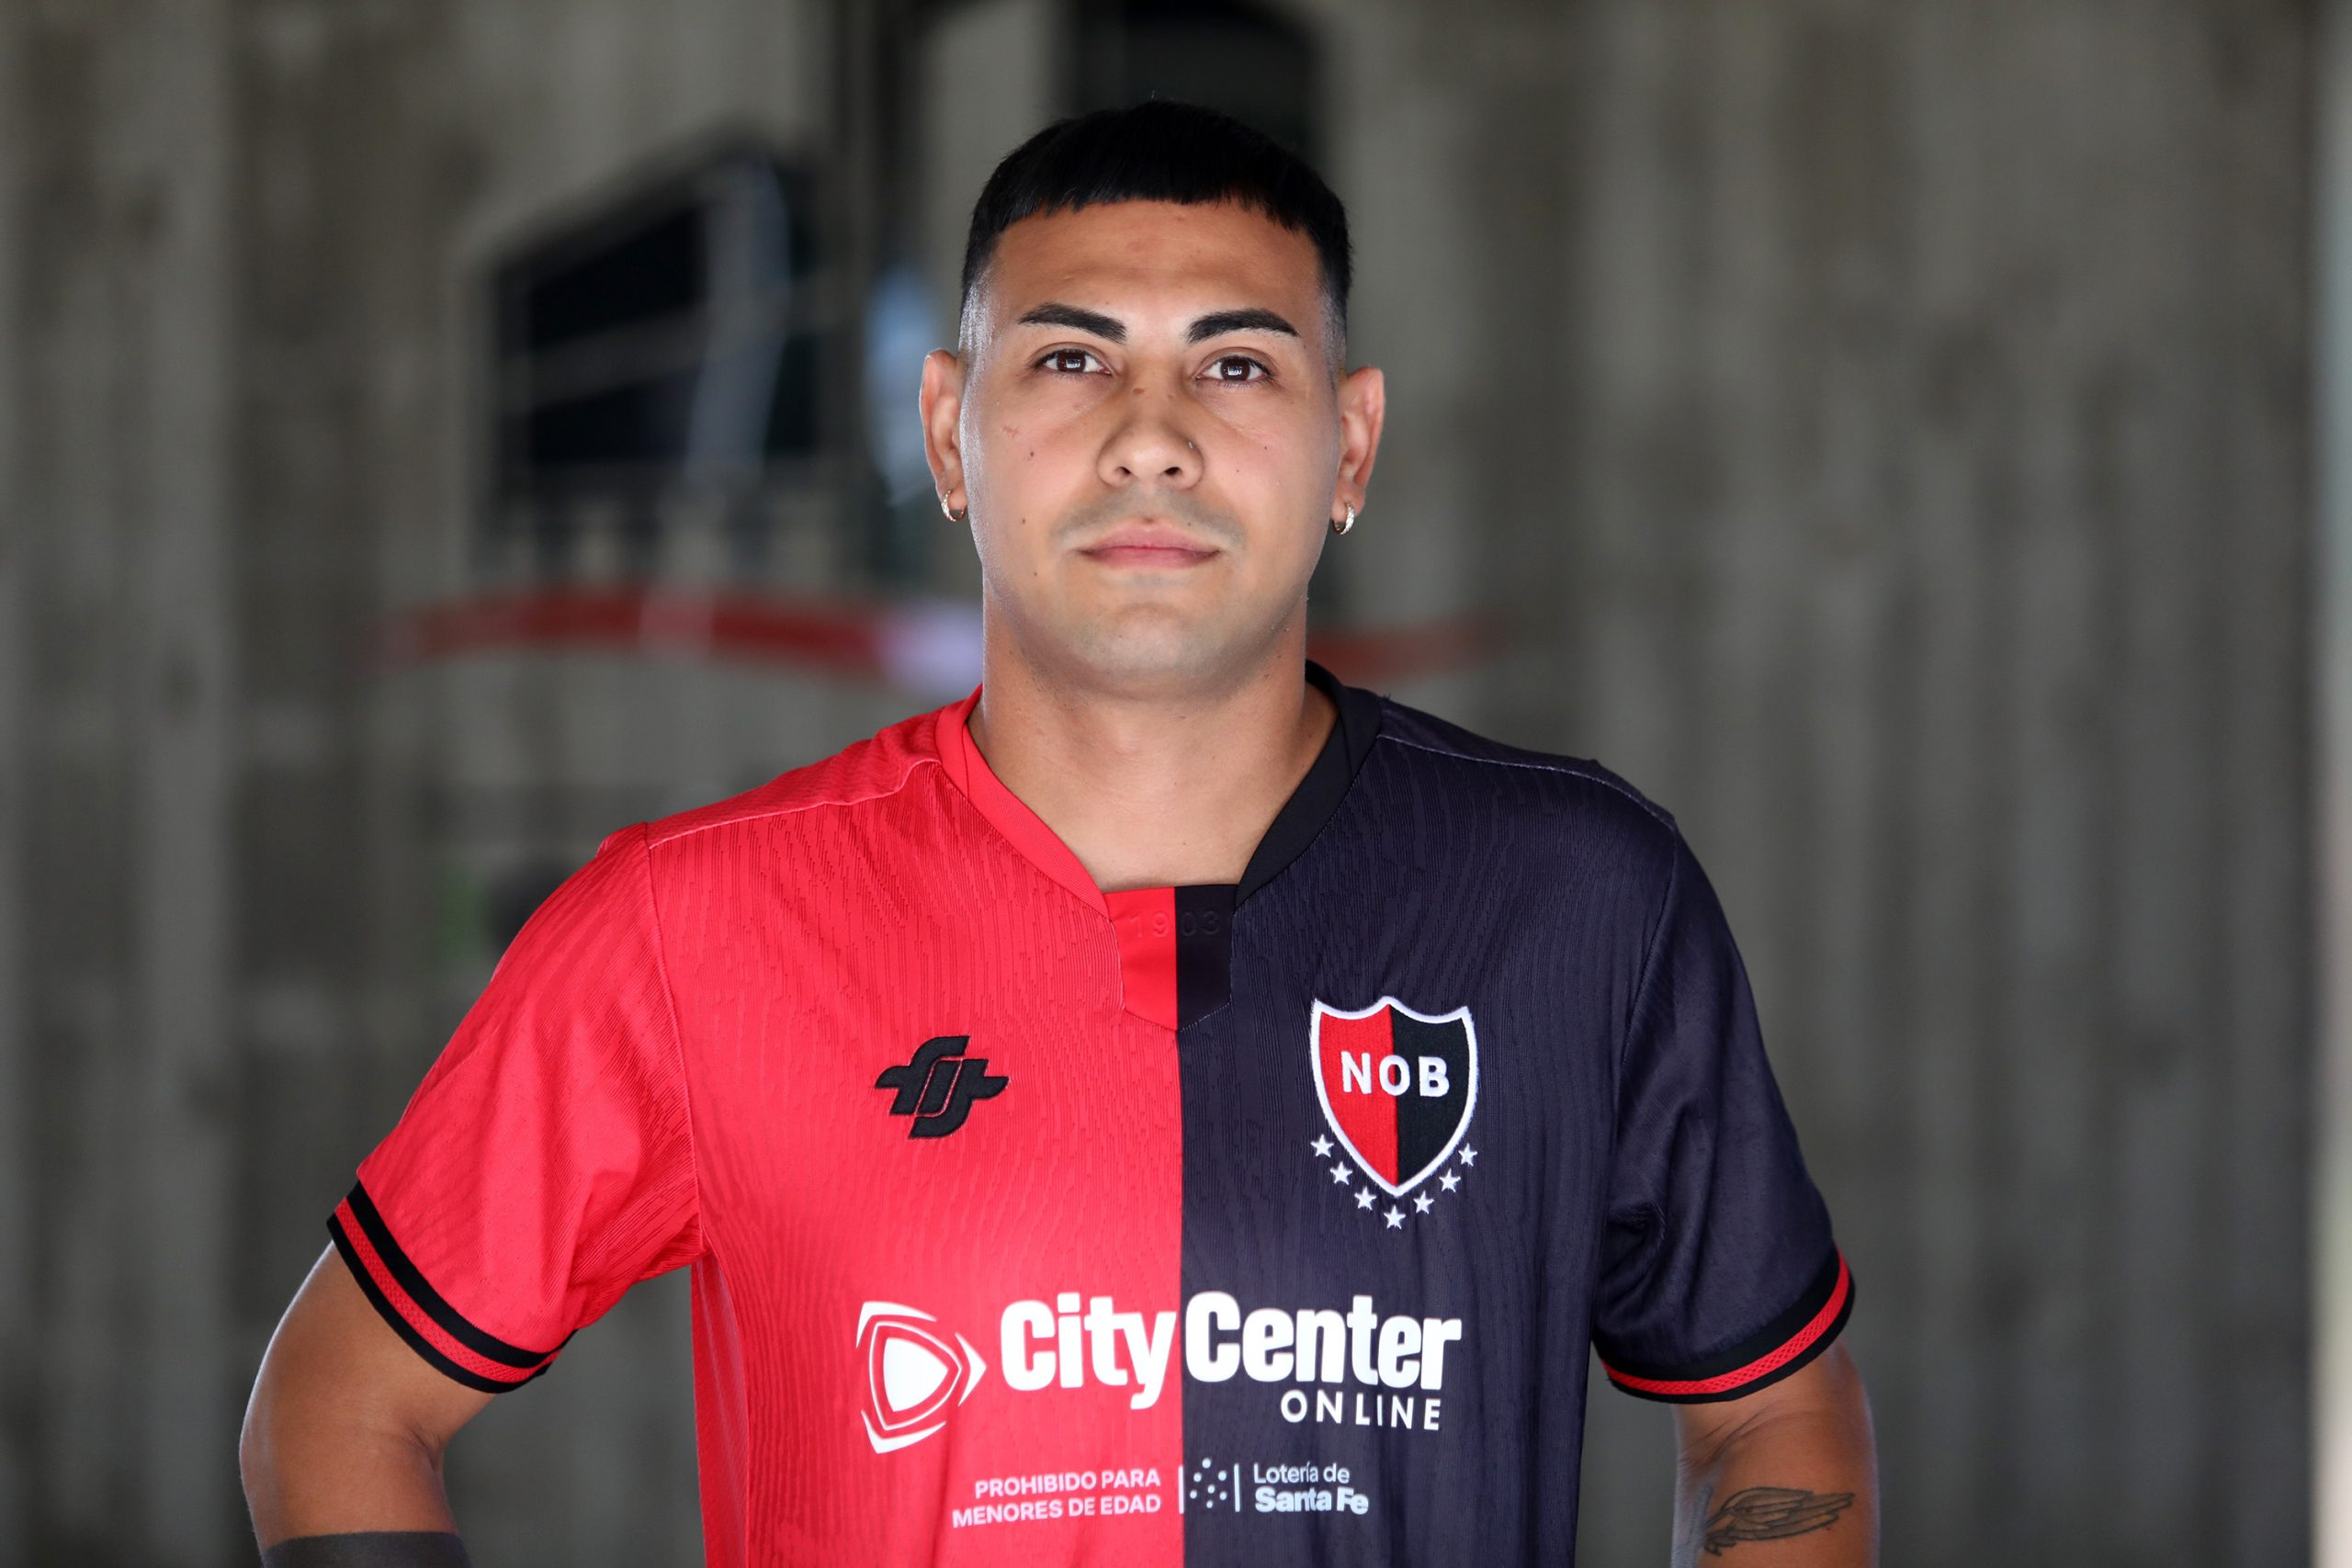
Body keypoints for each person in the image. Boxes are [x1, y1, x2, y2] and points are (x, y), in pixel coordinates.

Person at [239, 99, 1877, 1568]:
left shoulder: (1583, 896)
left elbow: (1770, 1411)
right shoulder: (693, 922)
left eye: (1237, 364)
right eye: (1073, 360)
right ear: (945, 432)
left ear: (1352, 444)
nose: (1151, 433)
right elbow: (339, 1402)